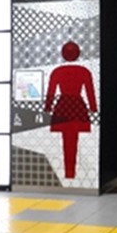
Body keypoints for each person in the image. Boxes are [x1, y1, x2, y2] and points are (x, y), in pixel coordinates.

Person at [44, 41, 97, 178]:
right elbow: (90, 91)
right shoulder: (84, 71)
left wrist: (48, 108)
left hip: (63, 106)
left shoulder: (57, 71)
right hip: (77, 106)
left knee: (66, 139)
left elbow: (51, 92)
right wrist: (93, 108)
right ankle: (71, 172)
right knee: (74, 139)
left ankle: (69, 172)